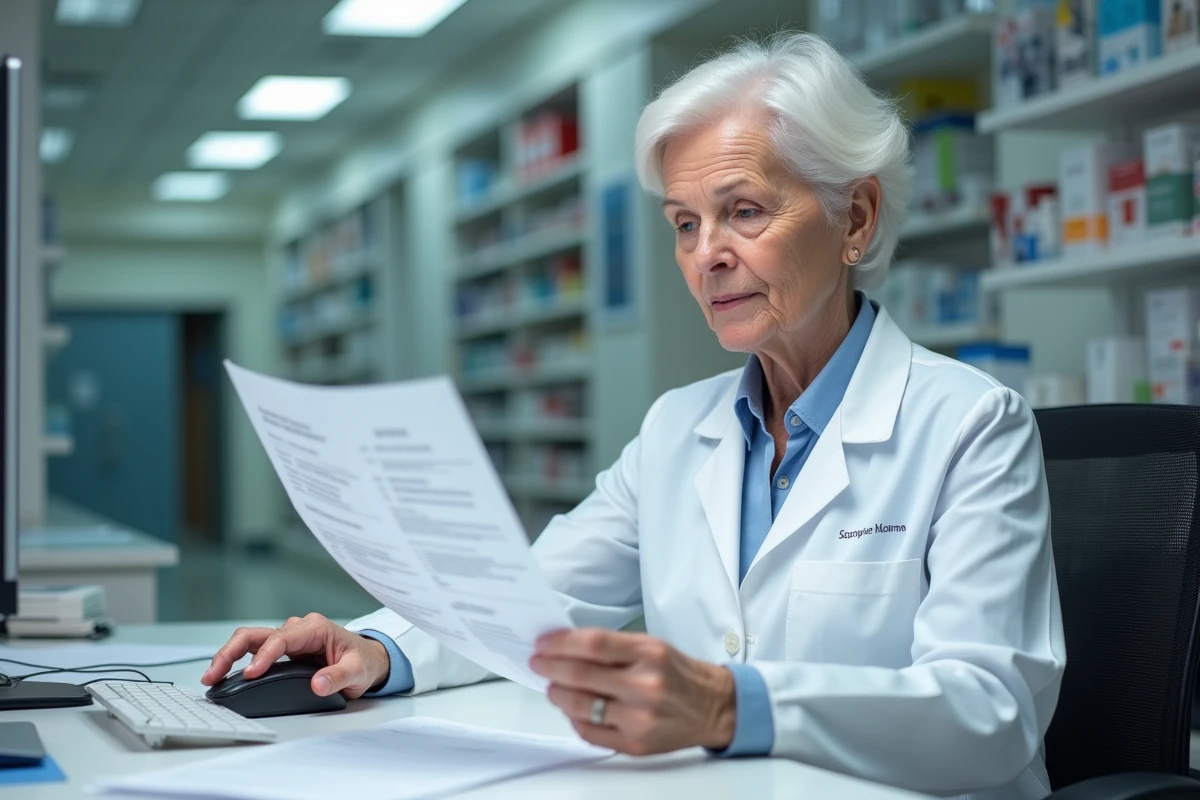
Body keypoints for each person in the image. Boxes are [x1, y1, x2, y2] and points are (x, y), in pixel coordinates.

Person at [203, 33, 1064, 800]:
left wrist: (727, 705)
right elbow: (528, 604)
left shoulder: (971, 425)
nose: (706, 256)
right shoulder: (674, 431)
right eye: (685, 224)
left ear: (856, 217)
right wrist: (374, 649)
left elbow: (988, 711)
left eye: (745, 212)